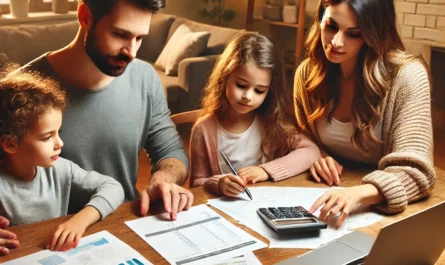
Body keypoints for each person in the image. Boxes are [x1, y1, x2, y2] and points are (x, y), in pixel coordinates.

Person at [20, 0, 193, 221]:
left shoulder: (145, 78)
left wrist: (164, 179)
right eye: (120, 34)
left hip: (126, 223)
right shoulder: (20, 91)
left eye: (139, 38)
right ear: (85, 16)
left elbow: (171, 151)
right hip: (51, 236)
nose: (131, 52)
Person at [293, 0, 436, 227]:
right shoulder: (308, 75)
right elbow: (302, 138)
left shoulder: (407, 76)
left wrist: (357, 194)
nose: (336, 42)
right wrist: (318, 155)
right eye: (330, 26)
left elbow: (417, 172)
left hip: (382, 208)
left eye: (354, 34)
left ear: (374, 34)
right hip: (324, 191)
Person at [0, 69, 124, 254]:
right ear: (11, 144)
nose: (60, 143)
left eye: (59, 132)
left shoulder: (60, 169)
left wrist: (79, 221)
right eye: (47, 137)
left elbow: (113, 187)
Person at [190, 32, 321, 196]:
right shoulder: (203, 130)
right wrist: (219, 183)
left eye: (259, 90)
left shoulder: (271, 121)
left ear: (269, 91)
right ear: (224, 78)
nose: (248, 97)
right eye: (241, 85)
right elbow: (197, 183)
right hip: (226, 211)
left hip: (266, 202)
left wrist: (265, 171)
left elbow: (311, 152)